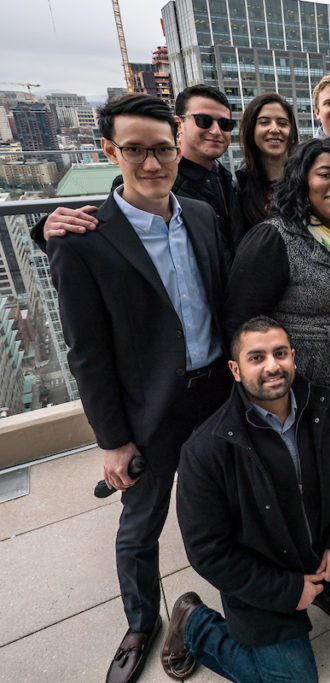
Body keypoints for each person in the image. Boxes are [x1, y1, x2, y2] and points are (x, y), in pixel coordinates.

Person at [45, 94, 232, 683]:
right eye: (134, 151)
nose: (151, 164)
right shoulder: (84, 242)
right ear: (109, 151)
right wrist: (114, 440)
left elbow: (221, 300)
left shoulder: (201, 216)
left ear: (177, 146)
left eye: (161, 150)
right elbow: (87, 354)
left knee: (234, 500)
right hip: (152, 410)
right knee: (141, 521)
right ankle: (139, 621)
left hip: (216, 393)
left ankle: (250, 595)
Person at [162, 317, 330, 681]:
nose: (272, 365)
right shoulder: (206, 448)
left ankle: (324, 587)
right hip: (266, 571)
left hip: (321, 542)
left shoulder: (322, 404)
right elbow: (207, 551)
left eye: (280, 353)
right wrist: (287, 591)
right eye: (256, 357)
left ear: (293, 357)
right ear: (235, 370)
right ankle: (194, 624)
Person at [224, 137, 330, 504]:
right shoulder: (274, 238)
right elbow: (241, 323)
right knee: (320, 483)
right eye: (325, 174)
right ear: (303, 180)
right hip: (303, 393)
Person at [37, 85, 245, 254]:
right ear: (178, 124)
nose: (216, 131)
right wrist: (52, 232)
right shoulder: (150, 181)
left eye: (225, 124)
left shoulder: (223, 177)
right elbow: (111, 236)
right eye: (204, 121)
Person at [235, 93, 299, 230]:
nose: (275, 129)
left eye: (282, 123)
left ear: (292, 134)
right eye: (264, 122)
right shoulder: (238, 189)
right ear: (251, 131)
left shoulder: (308, 181)